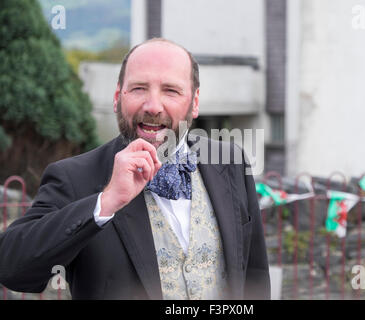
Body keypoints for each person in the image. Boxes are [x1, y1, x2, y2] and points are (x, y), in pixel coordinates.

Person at [0, 38, 270, 300]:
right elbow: (12, 269)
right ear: (118, 97)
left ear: (194, 102)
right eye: (139, 88)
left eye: (171, 90)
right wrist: (104, 203)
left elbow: (254, 272)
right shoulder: (73, 178)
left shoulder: (230, 160)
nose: (153, 106)